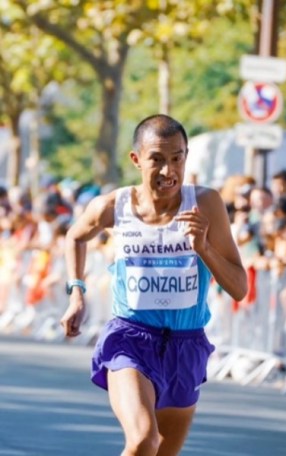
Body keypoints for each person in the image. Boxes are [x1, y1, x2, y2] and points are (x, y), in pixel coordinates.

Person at [60, 114, 247, 455]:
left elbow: (239, 288)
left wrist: (203, 248)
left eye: (177, 158)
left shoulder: (206, 203)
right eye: (157, 160)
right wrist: (76, 293)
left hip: (185, 344)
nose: (168, 171)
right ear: (136, 159)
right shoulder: (114, 205)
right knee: (144, 440)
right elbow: (75, 236)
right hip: (129, 339)